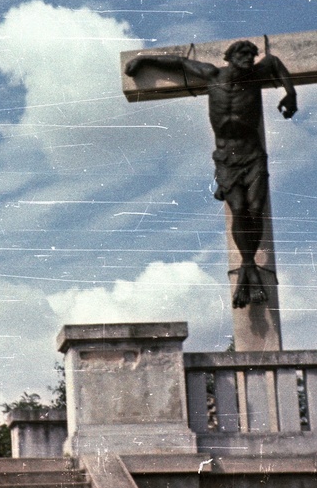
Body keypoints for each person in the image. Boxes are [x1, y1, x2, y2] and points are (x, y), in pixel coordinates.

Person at [124, 39, 297, 308]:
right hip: (226, 158)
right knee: (239, 209)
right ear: (229, 58)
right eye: (242, 55)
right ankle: (248, 264)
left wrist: (291, 93)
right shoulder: (211, 75)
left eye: (252, 56)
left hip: (252, 154)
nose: (249, 60)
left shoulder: (254, 77)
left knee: (255, 207)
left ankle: (248, 265)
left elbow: (274, 62)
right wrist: (144, 61)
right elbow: (180, 63)